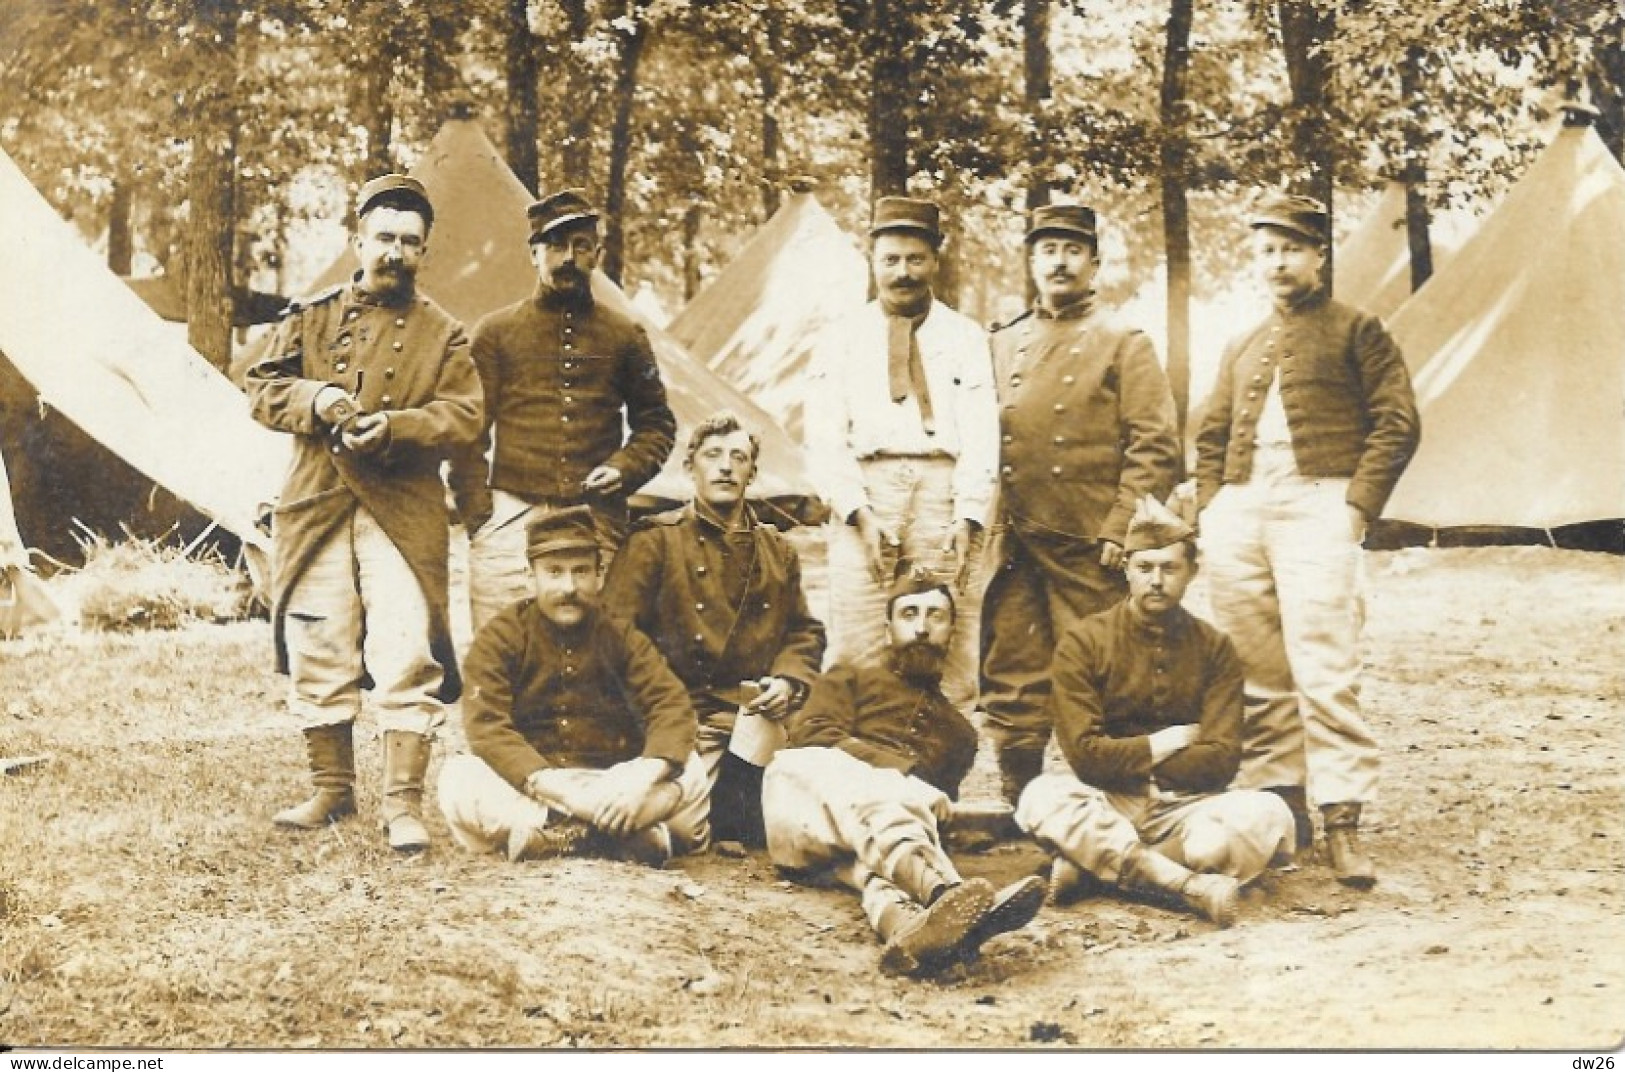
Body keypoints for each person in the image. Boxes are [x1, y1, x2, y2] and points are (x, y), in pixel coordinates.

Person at [246, 174, 483, 852]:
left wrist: (401, 426)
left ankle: (402, 804)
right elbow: (261, 387)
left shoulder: (445, 334)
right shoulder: (310, 315)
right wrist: (316, 400)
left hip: (402, 511)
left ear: (424, 252)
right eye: (384, 238)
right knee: (319, 641)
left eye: (410, 243)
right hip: (316, 499)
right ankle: (330, 788)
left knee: (405, 648)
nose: (395, 253)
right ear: (358, 241)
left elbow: (465, 416)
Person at [1195, 192, 1421, 888]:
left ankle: (1341, 821)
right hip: (1242, 508)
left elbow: (1397, 422)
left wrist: (1354, 508)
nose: (1277, 262)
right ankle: (1282, 813)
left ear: (1318, 255)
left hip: (1318, 503)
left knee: (1323, 669)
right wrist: (1212, 506)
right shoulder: (1241, 342)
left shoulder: (1358, 330)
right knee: (1256, 673)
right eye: (1265, 251)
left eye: (1290, 248)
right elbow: (1208, 433)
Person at [981, 203, 1181, 808]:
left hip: (1091, 544)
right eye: (1047, 251)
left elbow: (1155, 444)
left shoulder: (1125, 340)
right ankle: (1022, 800)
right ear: (1031, 261)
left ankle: (1122, 800)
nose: (1059, 262)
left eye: (1072, 250)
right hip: (1017, 538)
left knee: (1104, 671)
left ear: (1094, 263)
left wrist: (1121, 526)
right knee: (1013, 670)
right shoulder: (1004, 340)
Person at [1015, 497, 1296, 928]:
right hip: (1110, 801)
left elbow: (1222, 760)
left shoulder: (1213, 647)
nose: (1157, 581)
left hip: (1189, 805)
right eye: (1145, 568)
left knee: (1267, 813)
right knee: (1042, 796)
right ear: (1126, 569)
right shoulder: (1085, 642)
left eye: (1169, 568)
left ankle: (1100, 873)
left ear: (1191, 573)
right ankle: (1184, 886)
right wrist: (1167, 742)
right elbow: (1085, 757)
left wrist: (1126, 758)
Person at [762, 565, 1046, 978]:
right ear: (889, 627)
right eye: (909, 614)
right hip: (802, 809)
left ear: (952, 630)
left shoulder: (960, 734)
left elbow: (933, 813)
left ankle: (911, 929)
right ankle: (945, 890)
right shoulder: (849, 677)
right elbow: (814, 736)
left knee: (875, 867)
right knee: (874, 792)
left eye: (935, 616)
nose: (922, 627)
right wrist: (903, 778)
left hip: (859, 845)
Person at [448, 187, 677, 632]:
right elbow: (466, 430)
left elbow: (657, 424)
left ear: (597, 254)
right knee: (502, 645)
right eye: (555, 245)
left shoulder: (625, 334)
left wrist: (625, 468)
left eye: (581, 246)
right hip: (511, 514)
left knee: (593, 649)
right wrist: (478, 511)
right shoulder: (496, 333)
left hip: (595, 518)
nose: (568, 257)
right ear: (533, 253)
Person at [803, 196, 998, 713]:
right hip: (867, 488)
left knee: (948, 626)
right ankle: (856, 753)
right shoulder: (841, 337)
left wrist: (970, 514)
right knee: (859, 626)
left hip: (944, 489)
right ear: (873, 261)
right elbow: (823, 436)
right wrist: (857, 513)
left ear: (935, 260)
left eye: (915, 259)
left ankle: (945, 751)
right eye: (890, 259)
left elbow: (983, 433)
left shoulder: (966, 336)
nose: (903, 272)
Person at [437, 506, 710, 866]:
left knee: (690, 767)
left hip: (614, 785)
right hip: (539, 787)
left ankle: (561, 837)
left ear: (599, 576)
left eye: (581, 572)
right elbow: (487, 726)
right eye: (554, 572)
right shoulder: (501, 637)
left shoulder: (621, 635)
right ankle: (612, 835)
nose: (569, 588)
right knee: (458, 778)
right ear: (529, 577)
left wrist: (641, 778)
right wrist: (554, 788)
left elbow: (671, 706)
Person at [601, 413, 826, 847]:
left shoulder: (777, 550)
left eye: (738, 458)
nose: (726, 467)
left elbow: (804, 631)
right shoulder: (654, 541)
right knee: (686, 830)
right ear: (691, 468)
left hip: (753, 717)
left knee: (808, 811)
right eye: (713, 456)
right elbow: (616, 637)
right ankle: (726, 809)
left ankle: (741, 805)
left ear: (752, 474)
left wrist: (788, 680)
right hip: (682, 719)